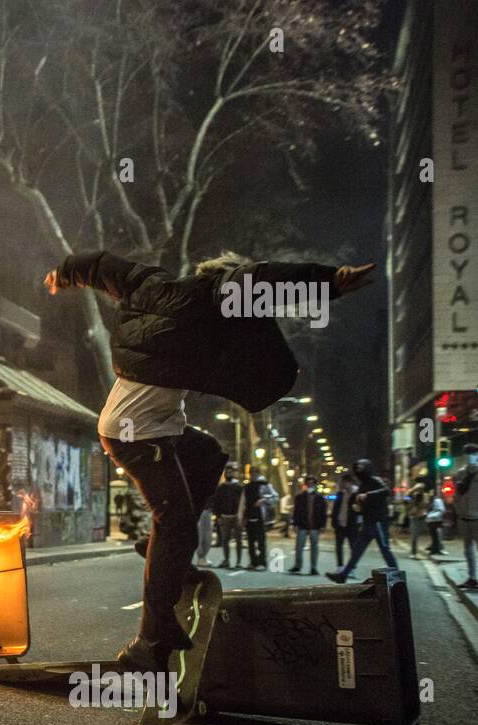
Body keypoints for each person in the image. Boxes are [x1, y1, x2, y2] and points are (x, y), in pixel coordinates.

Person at [46, 248, 374, 678]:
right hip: (141, 434)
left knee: (209, 455)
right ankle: (149, 640)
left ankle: (157, 547)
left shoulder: (152, 283)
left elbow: (103, 265)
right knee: (177, 521)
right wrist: (331, 280)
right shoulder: (220, 293)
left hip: (146, 427)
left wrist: (65, 273)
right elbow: (267, 279)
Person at [327, 458, 398, 583]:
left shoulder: (375, 480)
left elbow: (386, 491)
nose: (359, 471)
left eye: (361, 468)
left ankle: (396, 574)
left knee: (385, 548)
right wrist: (357, 508)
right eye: (357, 468)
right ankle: (344, 574)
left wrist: (368, 495)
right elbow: (360, 504)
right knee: (357, 550)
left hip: (378, 522)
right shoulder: (362, 485)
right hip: (367, 522)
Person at [452, 443, 478, 589]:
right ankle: (472, 578)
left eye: (473, 453)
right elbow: (456, 494)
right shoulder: (460, 473)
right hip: (464, 517)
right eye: (468, 453)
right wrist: (458, 510)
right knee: (467, 549)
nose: (470, 456)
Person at [289, 475, 327, 574]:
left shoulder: (320, 498)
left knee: (314, 547)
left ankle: (313, 568)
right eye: (308, 483)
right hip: (302, 525)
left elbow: (323, 512)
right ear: (305, 485)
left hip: (315, 525)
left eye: (312, 483)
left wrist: (323, 525)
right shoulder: (299, 497)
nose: (310, 485)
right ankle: (298, 565)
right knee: (299, 546)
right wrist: (294, 524)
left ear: (315, 484)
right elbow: (296, 511)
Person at [211, 462, 245, 569]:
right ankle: (226, 560)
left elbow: (243, 503)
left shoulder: (239, 487)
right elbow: (216, 503)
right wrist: (218, 516)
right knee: (225, 540)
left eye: (231, 471)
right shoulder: (221, 487)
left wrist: (243, 516)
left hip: (236, 517)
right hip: (225, 517)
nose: (229, 473)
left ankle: (238, 561)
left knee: (238, 540)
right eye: (227, 471)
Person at [244, 471, 277, 569]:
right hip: (250, 516)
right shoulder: (247, 486)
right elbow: (244, 502)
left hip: (260, 517)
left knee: (260, 541)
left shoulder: (265, 485)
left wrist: (263, 500)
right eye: (251, 474)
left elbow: (275, 497)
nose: (252, 476)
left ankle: (262, 562)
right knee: (250, 541)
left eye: (254, 474)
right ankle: (253, 562)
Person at [330, 471, 360, 568]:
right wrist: (334, 522)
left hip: (352, 525)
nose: (342, 484)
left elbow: (361, 510)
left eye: (343, 482)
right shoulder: (340, 493)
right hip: (340, 524)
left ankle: (352, 568)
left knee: (353, 547)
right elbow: (336, 509)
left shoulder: (357, 494)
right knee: (339, 547)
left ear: (349, 482)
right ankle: (340, 566)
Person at [407, 479, 431, 558]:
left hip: (422, 516)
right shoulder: (413, 495)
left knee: (431, 533)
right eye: (418, 489)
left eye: (420, 489)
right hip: (414, 516)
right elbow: (405, 499)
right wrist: (412, 491)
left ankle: (434, 548)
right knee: (414, 535)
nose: (419, 490)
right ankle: (414, 552)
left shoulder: (425, 495)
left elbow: (426, 505)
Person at [426, 487, 447, 556]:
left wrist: (432, 516)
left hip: (433, 520)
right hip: (433, 520)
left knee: (435, 536)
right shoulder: (434, 501)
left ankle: (436, 549)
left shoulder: (435, 501)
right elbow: (441, 510)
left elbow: (441, 510)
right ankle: (435, 549)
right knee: (434, 536)